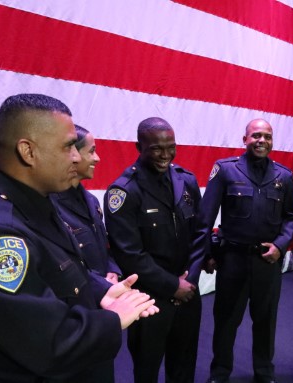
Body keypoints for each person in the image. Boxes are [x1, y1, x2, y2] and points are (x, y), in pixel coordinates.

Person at [0, 93, 158, 383]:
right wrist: (114, 318)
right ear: (28, 151)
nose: (77, 156)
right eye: (68, 147)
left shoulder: (38, 203)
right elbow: (48, 342)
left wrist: (100, 289)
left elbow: (55, 266)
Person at [194, 118, 293, 383]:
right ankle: (219, 373)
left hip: (267, 261)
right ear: (245, 139)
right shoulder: (226, 170)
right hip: (233, 260)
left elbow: (290, 218)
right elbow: (205, 218)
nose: (261, 141)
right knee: (226, 322)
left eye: (267, 137)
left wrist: (280, 245)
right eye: (256, 136)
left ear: (272, 141)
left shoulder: (283, 176)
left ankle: (264, 373)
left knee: (265, 323)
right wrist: (207, 254)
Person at [103, 117, 203, 383]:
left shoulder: (186, 181)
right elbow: (129, 254)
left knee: (184, 367)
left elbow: (199, 234)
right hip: (149, 299)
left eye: (171, 146)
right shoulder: (123, 191)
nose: (166, 154)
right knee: (146, 370)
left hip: (189, 291)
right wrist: (173, 286)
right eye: (157, 148)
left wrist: (189, 280)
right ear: (139, 146)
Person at [50, 124, 122, 292]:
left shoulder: (91, 201)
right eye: (91, 151)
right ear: (72, 154)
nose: (97, 158)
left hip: (107, 292)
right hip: (80, 296)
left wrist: (113, 270)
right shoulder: (51, 204)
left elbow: (104, 246)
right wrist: (101, 285)